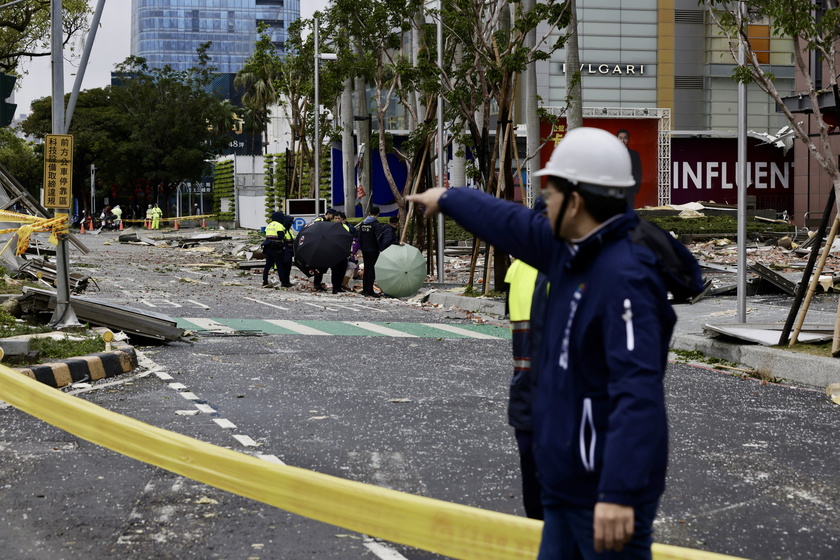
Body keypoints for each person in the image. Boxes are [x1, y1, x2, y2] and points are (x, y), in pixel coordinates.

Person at [407, 127, 703, 559]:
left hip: (602, 493)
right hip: (563, 481)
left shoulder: (626, 278)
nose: (542, 207)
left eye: (550, 195)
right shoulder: (568, 249)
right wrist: (448, 199)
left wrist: (619, 492)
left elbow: (637, 393)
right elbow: (508, 222)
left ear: (576, 201)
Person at [504, 197, 549, 521]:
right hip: (565, 397)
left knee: (535, 502)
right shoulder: (569, 265)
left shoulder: (517, 267)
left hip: (524, 392)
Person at [358, 206, 385, 298]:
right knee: (372, 270)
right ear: (378, 214)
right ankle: (370, 291)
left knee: (367, 268)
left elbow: (359, 237)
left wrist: (361, 247)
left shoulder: (363, 223)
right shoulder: (376, 224)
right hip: (373, 250)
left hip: (365, 249)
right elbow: (379, 238)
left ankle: (365, 289)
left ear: (369, 213)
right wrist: (381, 248)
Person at [262, 211, 294, 288]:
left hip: (268, 248)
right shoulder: (279, 225)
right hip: (277, 249)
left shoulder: (269, 225)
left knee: (267, 266)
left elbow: (266, 234)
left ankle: (265, 281)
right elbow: (280, 236)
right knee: (280, 266)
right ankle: (284, 282)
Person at [616, 129, 642, 206]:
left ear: (628, 139)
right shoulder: (611, 153)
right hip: (615, 190)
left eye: (625, 138)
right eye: (620, 138)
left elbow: (638, 172)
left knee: (629, 212)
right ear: (617, 138)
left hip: (629, 190)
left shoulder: (634, 154)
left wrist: (635, 189)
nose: (622, 140)